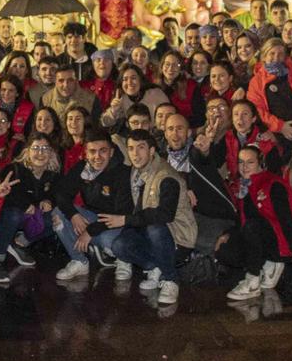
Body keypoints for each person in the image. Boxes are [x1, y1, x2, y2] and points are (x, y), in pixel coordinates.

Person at [216, 143, 292, 301]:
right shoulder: (242, 186)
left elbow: (286, 217)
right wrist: (228, 234)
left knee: (253, 226)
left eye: (250, 162)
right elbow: (242, 219)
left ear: (260, 162)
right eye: (241, 162)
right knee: (225, 250)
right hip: (258, 238)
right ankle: (266, 264)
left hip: (280, 242)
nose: (244, 167)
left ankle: (253, 279)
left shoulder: (272, 183)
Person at [116, 128, 193, 305]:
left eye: (141, 148)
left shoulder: (166, 176)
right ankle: (158, 266)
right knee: (120, 245)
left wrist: (126, 220)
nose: (135, 153)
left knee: (155, 228)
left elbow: (164, 214)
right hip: (152, 232)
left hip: (177, 237)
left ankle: (171, 279)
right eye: (131, 148)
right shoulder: (137, 171)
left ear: (151, 151)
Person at [51, 129, 134, 281]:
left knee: (110, 242)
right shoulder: (82, 168)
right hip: (93, 218)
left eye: (103, 151)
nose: (97, 157)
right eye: (92, 151)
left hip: (118, 224)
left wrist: (89, 231)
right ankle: (79, 261)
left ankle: (123, 259)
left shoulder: (123, 172)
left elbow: (121, 213)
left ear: (111, 152)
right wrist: (74, 215)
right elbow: (61, 194)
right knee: (58, 214)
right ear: (86, 153)